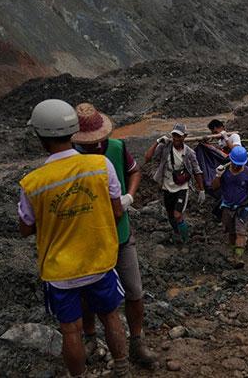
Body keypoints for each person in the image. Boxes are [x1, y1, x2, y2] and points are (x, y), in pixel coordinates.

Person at [17, 99, 130, 377]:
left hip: (61, 272)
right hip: (99, 260)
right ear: (73, 131)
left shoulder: (32, 183)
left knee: (70, 330)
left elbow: (25, 228)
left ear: (41, 137)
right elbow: (117, 210)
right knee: (111, 316)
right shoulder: (100, 165)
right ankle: (123, 368)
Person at [71, 103, 158, 367]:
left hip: (120, 233)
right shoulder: (71, 158)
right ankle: (90, 337)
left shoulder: (117, 148)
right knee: (86, 293)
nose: (93, 144)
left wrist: (129, 196)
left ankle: (137, 341)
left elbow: (134, 170)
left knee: (134, 290)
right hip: (88, 238)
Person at [144, 124, 205, 244]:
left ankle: (185, 239)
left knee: (177, 215)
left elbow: (197, 170)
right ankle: (177, 232)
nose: (176, 138)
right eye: (174, 135)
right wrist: (157, 142)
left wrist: (201, 190)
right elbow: (147, 158)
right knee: (170, 215)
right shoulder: (165, 147)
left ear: (184, 136)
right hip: (167, 186)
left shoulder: (189, 152)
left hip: (182, 187)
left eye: (179, 136)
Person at [211, 146, 248, 268]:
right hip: (227, 206)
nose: (237, 166)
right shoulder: (224, 172)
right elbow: (214, 187)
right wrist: (218, 175)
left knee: (240, 232)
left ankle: (238, 258)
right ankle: (234, 251)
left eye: (239, 164)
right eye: (235, 164)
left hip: (243, 206)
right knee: (231, 232)